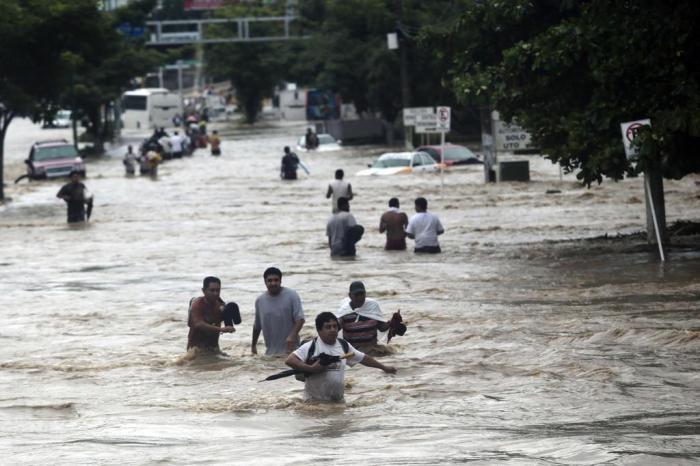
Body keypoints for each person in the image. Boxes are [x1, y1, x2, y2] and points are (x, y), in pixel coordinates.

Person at [285, 312, 396, 402]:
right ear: (319, 330)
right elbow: (290, 360)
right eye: (328, 327)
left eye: (334, 326)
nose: (333, 330)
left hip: (338, 403)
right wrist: (312, 369)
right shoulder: (311, 347)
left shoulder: (344, 345)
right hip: (315, 405)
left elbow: (364, 358)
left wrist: (384, 367)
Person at [252, 267, 305, 356]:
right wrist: (253, 346)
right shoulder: (260, 301)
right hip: (270, 353)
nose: (273, 283)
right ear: (265, 282)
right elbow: (257, 326)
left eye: (276, 280)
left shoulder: (292, 295)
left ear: (280, 281)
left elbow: (300, 319)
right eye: (270, 281)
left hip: (292, 351)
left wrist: (292, 335)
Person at [335, 281, 390, 351]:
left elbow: (382, 327)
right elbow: (334, 329)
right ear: (350, 295)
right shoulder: (344, 312)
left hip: (373, 349)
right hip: (353, 352)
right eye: (356, 295)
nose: (360, 297)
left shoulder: (372, 307)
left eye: (362, 294)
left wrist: (391, 323)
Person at [187, 276, 236, 351]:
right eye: (212, 290)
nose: (215, 293)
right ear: (204, 291)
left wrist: (229, 326)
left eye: (218, 290)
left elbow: (228, 322)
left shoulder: (221, 305)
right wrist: (221, 329)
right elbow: (198, 324)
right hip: (196, 350)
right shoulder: (197, 304)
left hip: (214, 348)